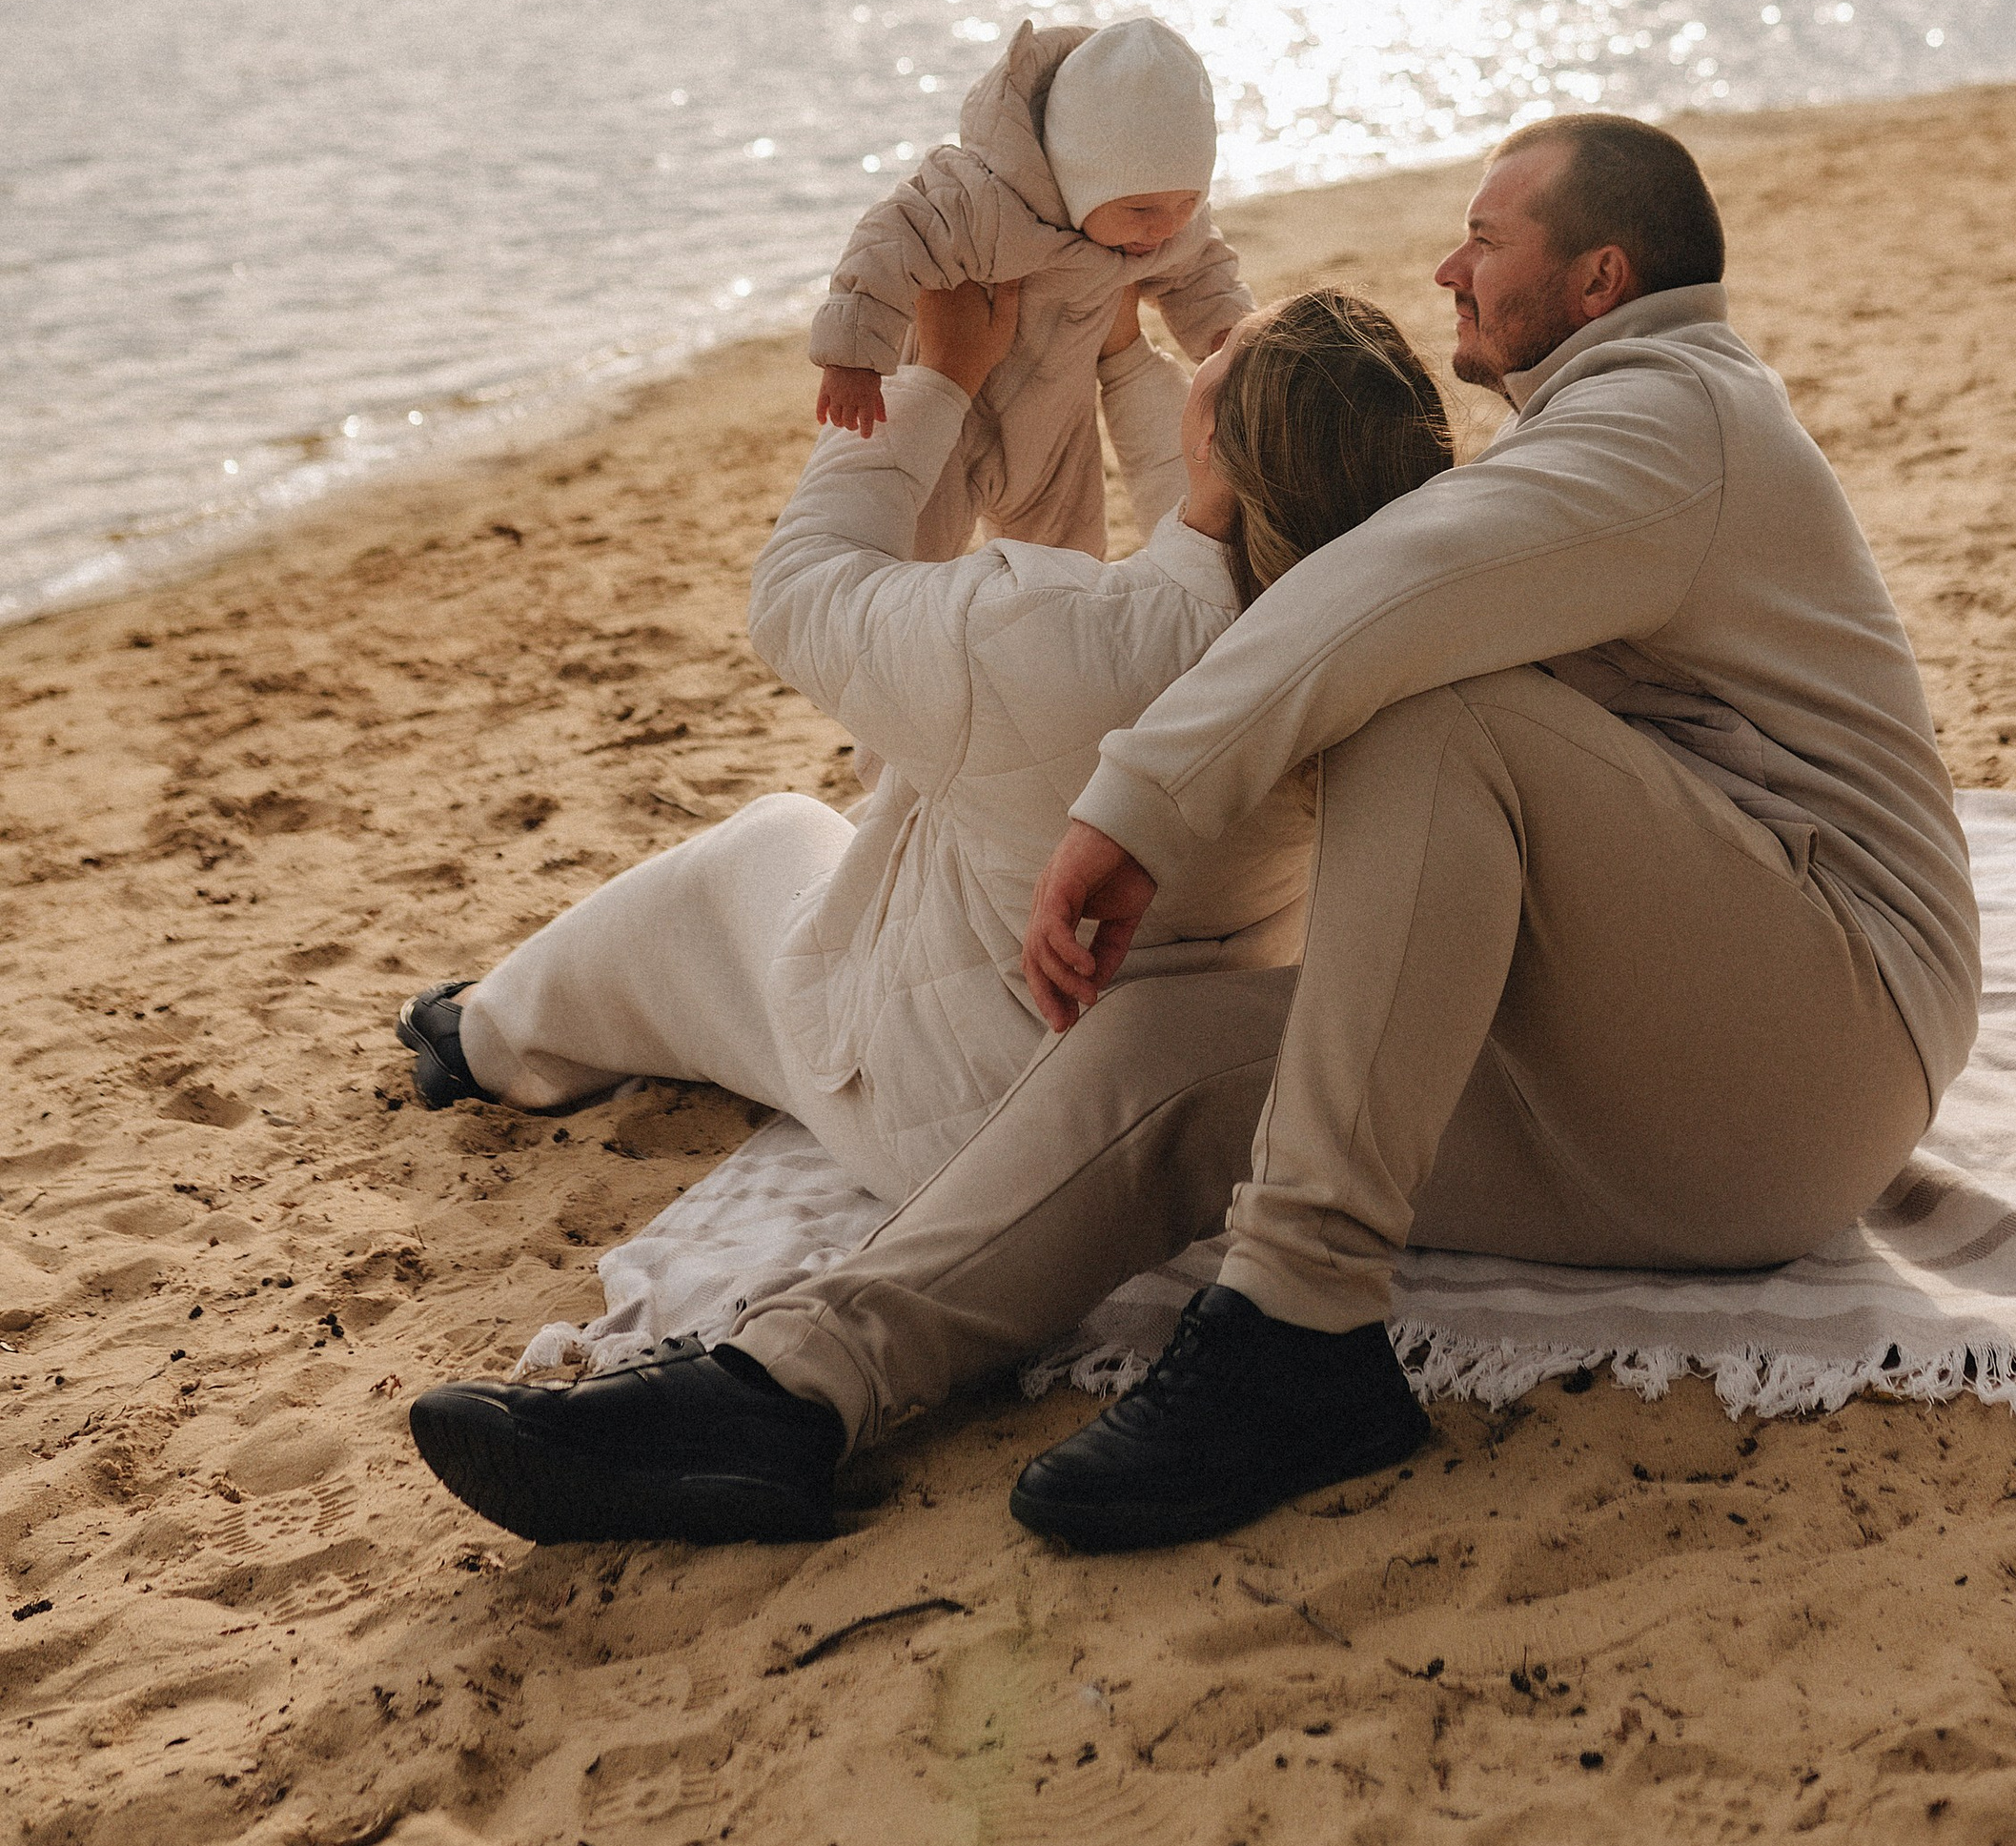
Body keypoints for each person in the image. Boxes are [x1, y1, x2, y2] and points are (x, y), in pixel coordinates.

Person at [407, 112, 1981, 1560]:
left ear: (1601, 274)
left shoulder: (1672, 421)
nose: (1448, 259)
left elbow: (1377, 591)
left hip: (1827, 1028)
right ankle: (783, 1392)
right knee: (1164, 1050)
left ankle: (1298, 1325)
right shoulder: (1608, 439)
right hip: (1677, 1096)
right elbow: (1355, 565)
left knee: (1428, 705)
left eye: (1484, 236)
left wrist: (1131, 804)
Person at [396, 274, 1452, 1219]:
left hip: (966, 1107)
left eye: (1207, 361)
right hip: (1206, 1085)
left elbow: (797, 592)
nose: (1192, 367)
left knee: (765, 843)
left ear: (1218, 440)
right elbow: (1206, 541)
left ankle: (487, 1039)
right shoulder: (1379, 642)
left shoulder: (1043, 625)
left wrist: (935, 376)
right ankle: (503, 1028)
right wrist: (1122, 351)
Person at [806, 15, 1254, 561]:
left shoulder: (1167, 234)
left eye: (1186, 204)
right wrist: (853, 356)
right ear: (1078, 179)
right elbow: (893, 239)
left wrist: (1232, 339)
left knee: (1067, 555)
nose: (1163, 227)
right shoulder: (990, 204)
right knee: (912, 548)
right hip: (950, 414)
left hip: (1056, 430)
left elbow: (1204, 271)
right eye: (1140, 209)